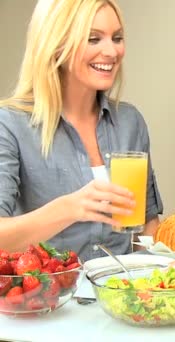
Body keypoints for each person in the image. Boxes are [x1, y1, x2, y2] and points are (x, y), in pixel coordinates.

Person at [0, 0, 163, 261]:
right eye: (93, 39)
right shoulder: (10, 124)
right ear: (56, 44)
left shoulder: (130, 122)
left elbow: (147, 226)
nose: (112, 51)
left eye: (117, 38)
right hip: (51, 298)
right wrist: (70, 208)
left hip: (121, 294)